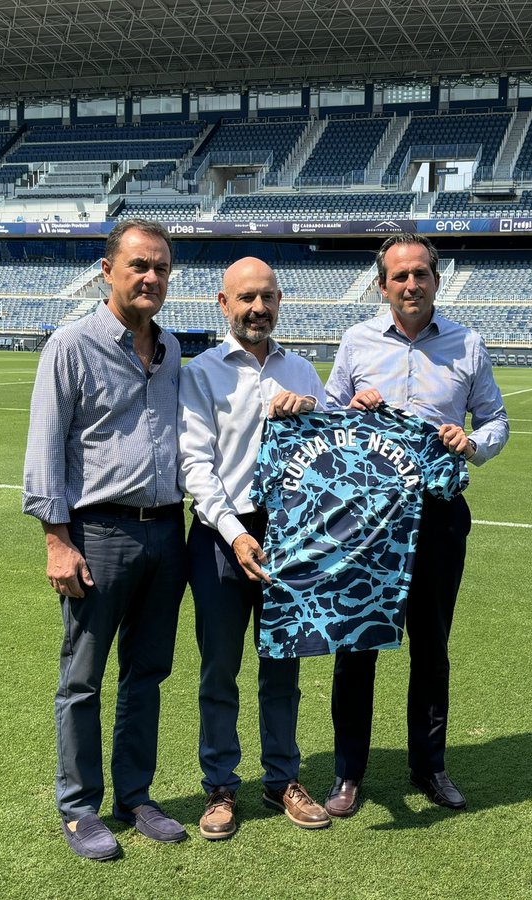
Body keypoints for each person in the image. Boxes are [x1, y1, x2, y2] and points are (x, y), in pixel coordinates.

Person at [323, 233, 509, 817]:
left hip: (437, 515)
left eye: (420, 274)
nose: (410, 285)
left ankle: (429, 767)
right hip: (368, 518)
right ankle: (348, 773)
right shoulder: (355, 343)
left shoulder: (467, 344)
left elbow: (497, 420)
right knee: (356, 642)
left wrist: (471, 442)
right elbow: (328, 420)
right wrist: (350, 412)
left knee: (431, 646)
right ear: (382, 286)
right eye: (399, 277)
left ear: (436, 279)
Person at [23, 219, 187, 861]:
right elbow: (45, 448)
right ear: (108, 269)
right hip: (98, 533)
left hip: (167, 531)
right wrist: (56, 540)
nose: (150, 278)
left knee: (148, 672)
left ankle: (136, 794)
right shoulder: (71, 344)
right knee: (84, 678)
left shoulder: (171, 349)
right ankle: (79, 808)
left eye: (162, 269)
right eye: (139, 266)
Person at [178, 257, 332, 840]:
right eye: (245, 298)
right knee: (220, 668)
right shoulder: (203, 373)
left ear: (280, 300)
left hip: (291, 536)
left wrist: (312, 410)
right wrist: (234, 531)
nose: (257, 308)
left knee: (282, 667)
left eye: (266, 297)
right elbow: (195, 463)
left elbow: (328, 449)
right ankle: (219, 786)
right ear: (223, 304)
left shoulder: (303, 370)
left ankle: (282, 779)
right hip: (223, 535)